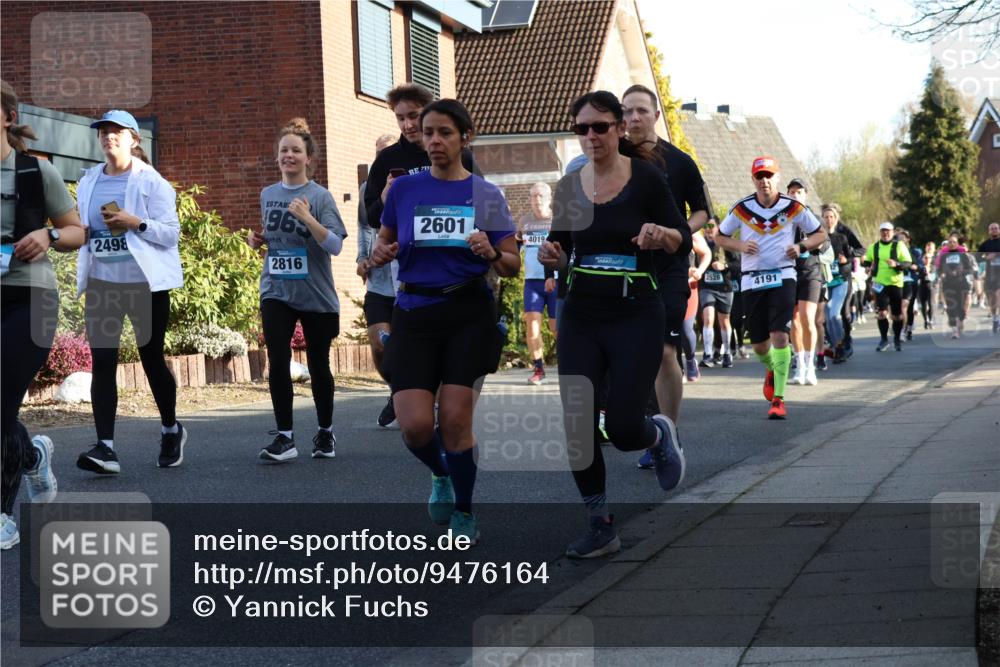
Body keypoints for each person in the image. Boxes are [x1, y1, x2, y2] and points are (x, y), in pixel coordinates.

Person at [538, 90, 691, 558]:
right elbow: (559, 245)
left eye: (600, 127)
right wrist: (552, 256)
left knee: (625, 428)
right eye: (581, 128)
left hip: (635, 312)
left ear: (619, 129)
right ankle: (600, 523)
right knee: (578, 423)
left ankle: (658, 433)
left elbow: (681, 239)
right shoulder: (569, 187)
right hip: (582, 313)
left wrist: (660, 234)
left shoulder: (645, 178)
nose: (590, 136)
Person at [370, 99, 519, 545]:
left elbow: (512, 262)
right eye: (428, 132)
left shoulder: (486, 195)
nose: (434, 140)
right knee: (414, 423)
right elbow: (382, 241)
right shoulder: (403, 191)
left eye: (444, 133)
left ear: (464, 138)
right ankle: (441, 474)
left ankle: (466, 511)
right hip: (414, 312)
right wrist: (377, 254)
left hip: (467, 314)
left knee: (455, 420)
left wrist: (491, 253)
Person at [74, 110, 186, 475]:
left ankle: (171, 428)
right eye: (104, 132)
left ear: (134, 139)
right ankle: (105, 447)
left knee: (151, 358)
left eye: (117, 132)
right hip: (103, 283)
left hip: (144, 284)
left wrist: (133, 222)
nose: (108, 137)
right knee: (103, 361)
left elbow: (171, 233)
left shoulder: (152, 182)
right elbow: (84, 228)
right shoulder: (89, 180)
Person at [1, 80, 85, 549]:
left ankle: (1, 513)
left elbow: (77, 230)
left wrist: (49, 238)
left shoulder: (37, 172)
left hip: (30, 297)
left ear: (7, 117)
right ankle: (31, 454)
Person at [620, 84, 709, 472]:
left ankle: (668, 433)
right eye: (627, 112)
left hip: (670, 267)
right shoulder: (613, 158)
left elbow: (704, 210)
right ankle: (652, 431)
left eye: (641, 110)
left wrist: (679, 235)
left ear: (656, 116)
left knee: (664, 350)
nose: (634, 118)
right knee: (635, 354)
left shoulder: (681, 161)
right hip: (626, 267)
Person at [247, 118, 347, 462]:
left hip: (316, 293)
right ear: (277, 158)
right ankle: (285, 437)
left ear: (308, 158)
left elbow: (334, 245)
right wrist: (256, 239)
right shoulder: (268, 194)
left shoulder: (320, 197)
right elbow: (275, 237)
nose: (288, 155)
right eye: (283, 151)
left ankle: (325, 432)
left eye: (295, 151)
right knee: (278, 359)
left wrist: (308, 218)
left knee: (319, 364)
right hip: (276, 289)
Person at [716, 157, 827, 420]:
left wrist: (800, 247)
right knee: (759, 346)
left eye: (769, 175)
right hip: (752, 279)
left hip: (784, 276)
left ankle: (778, 399)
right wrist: (741, 246)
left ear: (777, 178)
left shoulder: (793, 207)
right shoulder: (742, 209)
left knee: (780, 334)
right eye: (759, 176)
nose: (764, 181)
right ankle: (772, 369)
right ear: (752, 179)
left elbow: (821, 234)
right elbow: (718, 236)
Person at [357, 133, 398, 427]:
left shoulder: (411, 187)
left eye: (388, 155)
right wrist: (362, 257)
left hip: (409, 280)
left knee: (412, 346)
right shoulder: (367, 189)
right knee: (380, 345)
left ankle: (415, 397)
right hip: (379, 281)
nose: (382, 162)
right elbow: (364, 226)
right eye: (378, 156)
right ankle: (396, 391)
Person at [785, 178, 824, 386]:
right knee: (794, 321)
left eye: (799, 192)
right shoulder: (782, 219)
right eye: (791, 192)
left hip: (810, 272)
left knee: (808, 319)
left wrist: (804, 244)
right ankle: (799, 366)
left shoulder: (813, 218)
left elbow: (823, 244)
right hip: (789, 273)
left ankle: (811, 367)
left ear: (805, 195)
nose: (795, 195)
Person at [518, 182, 557, 385]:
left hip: (555, 281)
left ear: (549, 198)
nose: (537, 200)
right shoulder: (524, 221)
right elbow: (515, 245)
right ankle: (539, 370)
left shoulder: (557, 220)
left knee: (556, 328)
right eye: (533, 196)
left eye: (541, 196)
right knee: (532, 326)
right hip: (532, 281)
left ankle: (570, 365)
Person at [864, 221, 913, 352]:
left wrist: (896, 264)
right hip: (879, 284)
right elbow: (867, 261)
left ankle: (897, 338)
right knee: (882, 313)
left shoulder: (899, 246)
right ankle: (884, 339)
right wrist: (867, 266)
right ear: (880, 233)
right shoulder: (873, 247)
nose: (885, 233)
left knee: (897, 315)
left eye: (888, 231)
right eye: (883, 231)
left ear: (892, 233)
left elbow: (908, 262)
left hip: (895, 283)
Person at [697, 221, 734, 368]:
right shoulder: (700, 244)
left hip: (725, 288)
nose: (707, 229)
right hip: (707, 288)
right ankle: (708, 354)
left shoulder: (726, 243)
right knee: (708, 318)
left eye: (711, 226)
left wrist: (724, 266)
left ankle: (727, 353)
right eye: (705, 226)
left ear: (718, 227)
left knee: (724, 322)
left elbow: (738, 264)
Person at [821, 204, 852, 363]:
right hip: (825, 282)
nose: (829, 219)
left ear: (836, 219)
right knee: (826, 316)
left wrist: (845, 261)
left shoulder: (842, 238)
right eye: (826, 217)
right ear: (822, 219)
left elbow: (851, 258)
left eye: (831, 216)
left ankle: (841, 345)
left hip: (840, 280)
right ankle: (836, 346)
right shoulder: (818, 237)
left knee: (834, 312)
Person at [937, 234, 978, 339]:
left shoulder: (963, 255)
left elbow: (969, 269)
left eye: (954, 242)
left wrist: (960, 272)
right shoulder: (944, 256)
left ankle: (961, 321)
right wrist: (941, 274)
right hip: (948, 284)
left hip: (961, 283)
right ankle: (955, 331)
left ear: (957, 244)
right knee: (951, 307)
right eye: (950, 242)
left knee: (961, 307)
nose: (951, 244)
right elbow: (939, 269)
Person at [895, 228, 922, 341]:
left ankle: (907, 328)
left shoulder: (914, 252)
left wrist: (908, 265)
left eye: (903, 238)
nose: (900, 240)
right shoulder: (893, 250)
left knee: (908, 307)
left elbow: (918, 267)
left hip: (910, 281)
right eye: (898, 238)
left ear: (908, 239)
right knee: (900, 308)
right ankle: (901, 328)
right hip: (896, 281)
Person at [977, 222, 1000, 334]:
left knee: (998, 295)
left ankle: (998, 317)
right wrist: (987, 257)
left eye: (996, 228)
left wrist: (996, 255)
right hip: (990, 274)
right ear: (989, 231)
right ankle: (995, 318)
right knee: (991, 299)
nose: (994, 230)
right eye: (992, 229)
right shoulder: (985, 244)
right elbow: (978, 258)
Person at [918, 241, 937, 329]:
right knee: (923, 304)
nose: (929, 249)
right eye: (928, 247)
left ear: (934, 249)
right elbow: (917, 271)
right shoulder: (920, 260)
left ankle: (931, 320)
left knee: (931, 303)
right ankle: (926, 320)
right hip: (922, 284)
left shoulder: (936, 260)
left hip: (932, 285)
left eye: (931, 247)